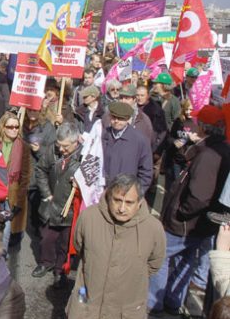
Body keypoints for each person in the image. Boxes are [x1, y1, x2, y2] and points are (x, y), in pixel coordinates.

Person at [148, 105, 230, 316]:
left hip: (187, 222)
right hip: (203, 223)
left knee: (161, 254)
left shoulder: (209, 155)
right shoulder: (219, 150)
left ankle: (155, 302)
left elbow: (199, 197)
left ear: (203, 127)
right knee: (188, 259)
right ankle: (174, 301)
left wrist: (181, 213)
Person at [65, 174, 165, 318]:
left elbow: (154, 264)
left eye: (129, 202)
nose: (122, 208)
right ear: (109, 196)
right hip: (85, 299)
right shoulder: (89, 217)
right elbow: (80, 247)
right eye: (117, 200)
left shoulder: (154, 229)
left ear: (140, 202)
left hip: (126, 309)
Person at [32, 122, 82, 288]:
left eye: (65, 147)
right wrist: (46, 193)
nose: (61, 150)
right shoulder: (52, 151)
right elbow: (40, 170)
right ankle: (46, 262)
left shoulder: (85, 155)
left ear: (76, 143)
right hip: (51, 203)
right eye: (59, 145)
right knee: (46, 238)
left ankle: (60, 270)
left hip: (70, 207)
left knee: (65, 242)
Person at [0, 112, 31, 245]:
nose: (14, 130)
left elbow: (26, 175)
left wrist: (19, 200)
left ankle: (2, 257)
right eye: (10, 127)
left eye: (17, 127)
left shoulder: (23, 147)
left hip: (12, 193)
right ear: (3, 127)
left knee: (6, 231)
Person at [101, 101, 154, 190]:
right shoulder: (102, 134)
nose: (116, 121)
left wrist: (137, 193)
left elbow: (146, 172)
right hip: (102, 191)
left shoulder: (140, 140)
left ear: (128, 119)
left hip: (126, 193)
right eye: (114, 117)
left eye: (120, 118)